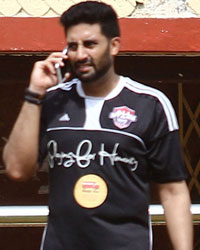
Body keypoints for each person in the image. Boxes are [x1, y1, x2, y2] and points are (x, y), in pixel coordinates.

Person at [3, 1, 193, 250]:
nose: (80, 54)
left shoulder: (150, 104)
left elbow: (173, 191)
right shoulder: (52, 100)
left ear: (114, 46)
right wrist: (34, 93)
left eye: (90, 44)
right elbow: (17, 170)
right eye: (73, 46)